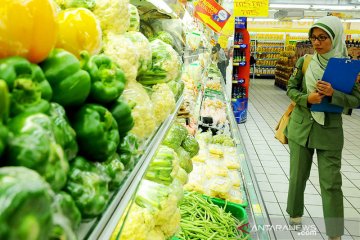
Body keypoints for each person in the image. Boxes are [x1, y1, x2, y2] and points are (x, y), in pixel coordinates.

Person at [284, 16, 360, 240]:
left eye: (323, 38)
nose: (317, 42)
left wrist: (332, 94)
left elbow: (356, 99)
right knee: (297, 176)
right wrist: (307, 98)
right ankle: (295, 215)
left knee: (331, 183)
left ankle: (335, 233)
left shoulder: (347, 67)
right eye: (313, 38)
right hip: (302, 128)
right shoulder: (305, 61)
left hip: (329, 132)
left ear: (335, 38)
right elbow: (290, 88)